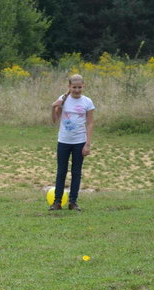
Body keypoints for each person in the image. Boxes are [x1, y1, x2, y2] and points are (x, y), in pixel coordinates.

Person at [49, 74, 94, 212]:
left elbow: (90, 123)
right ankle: (57, 202)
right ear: (69, 86)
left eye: (79, 87)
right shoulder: (63, 100)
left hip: (79, 141)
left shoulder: (87, 102)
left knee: (76, 172)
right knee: (61, 171)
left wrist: (87, 144)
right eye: (74, 87)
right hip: (63, 141)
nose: (77, 90)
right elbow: (54, 120)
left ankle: (73, 202)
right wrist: (53, 107)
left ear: (83, 86)